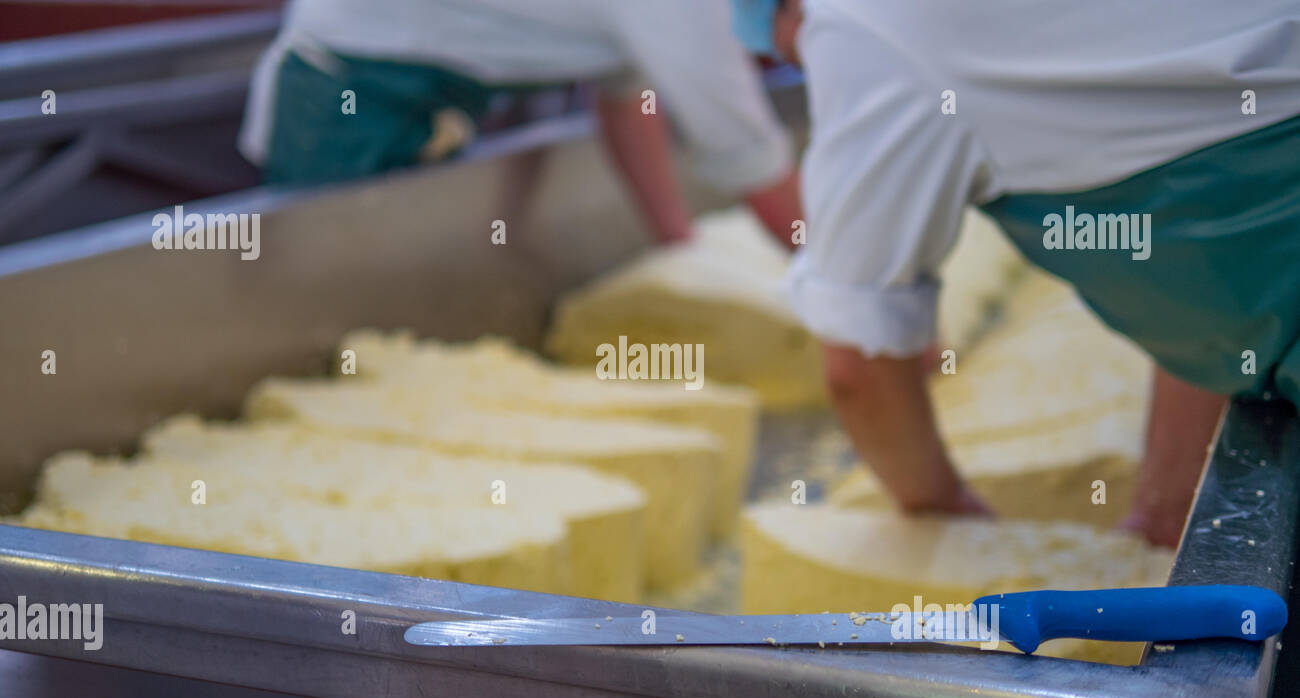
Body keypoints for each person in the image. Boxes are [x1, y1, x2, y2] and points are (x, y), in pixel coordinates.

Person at [743, 0, 1300, 547]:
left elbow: (859, 366)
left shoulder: (864, 27)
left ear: (785, 13)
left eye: (788, 51)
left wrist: (947, 523)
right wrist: (1166, 517)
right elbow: (1199, 277)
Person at [238, 0, 802, 247]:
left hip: (423, 87)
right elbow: (752, 162)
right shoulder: (689, 8)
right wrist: (860, 303)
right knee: (336, 304)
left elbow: (627, 94)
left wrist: (678, 243)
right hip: (349, 93)